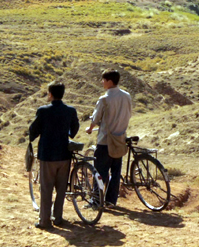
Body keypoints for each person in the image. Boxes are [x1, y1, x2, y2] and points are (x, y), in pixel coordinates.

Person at [29, 81, 79, 230]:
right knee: (61, 188)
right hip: (64, 154)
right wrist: (68, 135)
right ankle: (58, 218)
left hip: (48, 155)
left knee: (46, 189)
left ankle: (45, 221)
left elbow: (34, 129)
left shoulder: (43, 111)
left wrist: (32, 137)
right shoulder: (70, 110)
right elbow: (75, 127)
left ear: (50, 94)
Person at [85, 69, 132, 207]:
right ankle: (111, 200)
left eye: (103, 80)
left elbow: (96, 118)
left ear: (109, 81)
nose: (102, 82)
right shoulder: (127, 96)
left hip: (105, 141)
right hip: (120, 139)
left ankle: (96, 201)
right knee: (116, 172)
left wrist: (90, 128)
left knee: (99, 172)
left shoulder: (104, 99)